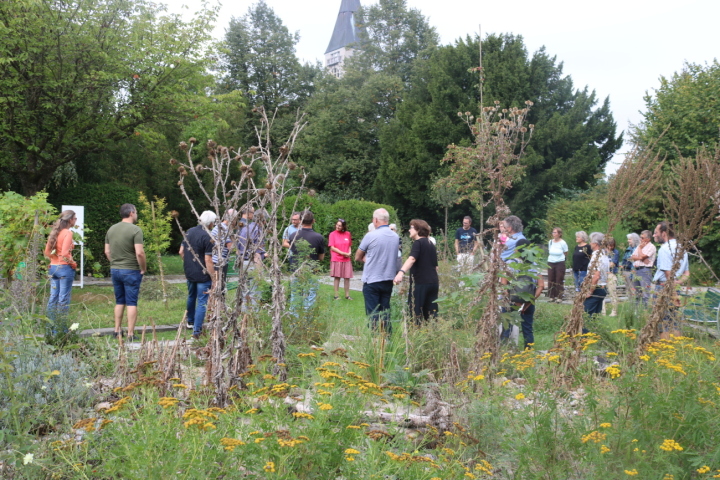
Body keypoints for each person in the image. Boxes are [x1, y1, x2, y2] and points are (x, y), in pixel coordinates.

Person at [105, 203, 146, 341]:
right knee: (131, 302)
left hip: (115, 269)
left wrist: (114, 262)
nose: (136, 214)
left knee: (119, 301)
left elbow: (107, 251)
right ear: (131, 213)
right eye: (136, 212)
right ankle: (130, 333)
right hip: (131, 270)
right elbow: (139, 253)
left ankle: (117, 331)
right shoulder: (136, 230)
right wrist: (143, 268)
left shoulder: (111, 229)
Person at [356, 208, 399, 333]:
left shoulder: (370, 235)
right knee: (385, 311)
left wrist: (368, 259)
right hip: (388, 279)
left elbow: (358, 256)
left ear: (375, 220)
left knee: (373, 313)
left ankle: (376, 341)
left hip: (372, 279)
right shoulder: (395, 237)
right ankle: (387, 338)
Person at [501, 238, 544, 349]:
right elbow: (541, 286)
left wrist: (509, 299)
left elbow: (504, 284)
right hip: (528, 301)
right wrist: (530, 300)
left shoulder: (510, 263)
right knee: (527, 328)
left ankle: (503, 350)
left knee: (507, 326)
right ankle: (528, 352)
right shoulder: (535, 264)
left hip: (510, 300)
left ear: (517, 249)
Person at [393, 219, 439, 324]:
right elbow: (436, 267)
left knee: (416, 311)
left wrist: (400, 273)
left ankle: (415, 333)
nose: (409, 230)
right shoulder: (431, 244)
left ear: (418, 229)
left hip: (421, 283)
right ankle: (432, 333)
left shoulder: (418, 243)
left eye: (411, 228)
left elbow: (412, 259)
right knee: (431, 313)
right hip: (433, 282)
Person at [180, 211, 216, 338]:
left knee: (191, 296)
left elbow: (181, 252)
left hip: (189, 271)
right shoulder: (208, 237)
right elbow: (208, 259)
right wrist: (213, 276)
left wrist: (188, 263)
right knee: (202, 301)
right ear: (211, 223)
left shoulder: (189, 231)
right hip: (202, 274)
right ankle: (197, 330)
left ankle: (190, 321)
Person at [652, 221, 690, 338]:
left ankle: (665, 351)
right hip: (675, 287)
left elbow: (668, 274)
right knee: (674, 321)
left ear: (664, 233)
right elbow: (687, 273)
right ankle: (677, 350)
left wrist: (673, 293)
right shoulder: (681, 248)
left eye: (656, 232)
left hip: (665, 288)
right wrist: (678, 283)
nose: (654, 235)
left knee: (663, 322)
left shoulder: (664, 249)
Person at [289, 211, 326, 314]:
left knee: (295, 296)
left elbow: (293, 251)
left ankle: (293, 320)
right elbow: (321, 257)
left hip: (296, 269)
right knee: (310, 297)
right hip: (311, 270)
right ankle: (307, 320)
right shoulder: (318, 237)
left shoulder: (293, 235)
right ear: (313, 221)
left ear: (300, 221)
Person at [44, 210, 78, 323]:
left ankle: (50, 328)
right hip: (64, 269)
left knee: (53, 298)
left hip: (53, 268)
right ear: (70, 220)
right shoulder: (67, 233)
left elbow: (47, 252)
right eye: (75, 218)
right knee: (63, 299)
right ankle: (60, 330)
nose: (76, 220)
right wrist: (73, 263)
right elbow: (64, 253)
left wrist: (54, 259)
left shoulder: (55, 232)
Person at [237, 205, 266, 310]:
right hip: (252, 263)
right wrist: (259, 272)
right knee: (255, 291)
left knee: (245, 291)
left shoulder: (244, 229)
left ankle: (244, 314)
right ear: (263, 221)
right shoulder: (258, 231)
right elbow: (256, 253)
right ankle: (255, 315)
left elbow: (238, 247)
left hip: (242, 263)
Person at [583, 232, 609, 330]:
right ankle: (595, 337)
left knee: (586, 315)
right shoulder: (605, 255)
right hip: (603, 287)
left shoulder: (596, 256)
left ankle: (585, 339)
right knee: (595, 316)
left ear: (595, 244)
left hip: (596, 288)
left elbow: (596, 276)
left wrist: (590, 291)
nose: (589, 244)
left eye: (591, 241)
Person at [211, 209, 236, 294]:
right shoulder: (224, 229)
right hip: (220, 262)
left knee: (216, 285)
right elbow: (231, 247)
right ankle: (218, 305)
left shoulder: (218, 226)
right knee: (219, 287)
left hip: (215, 260)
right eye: (235, 219)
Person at [328, 218, 353, 300]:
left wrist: (349, 252)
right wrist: (342, 253)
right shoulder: (332, 234)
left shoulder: (348, 234)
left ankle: (347, 295)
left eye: (340, 226)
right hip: (337, 258)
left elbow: (349, 245)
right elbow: (332, 247)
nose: (337, 227)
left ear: (343, 227)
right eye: (337, 225)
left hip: (346, 258)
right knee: (337, 277)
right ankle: (336, 295)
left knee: (347, 277)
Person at [631, 230, 657, 305]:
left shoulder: (651, 247)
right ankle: (636, 311)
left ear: (648, 239)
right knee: (637, 293)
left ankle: (646, 311)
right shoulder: (640, 245)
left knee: (645, 293)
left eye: (642, 238)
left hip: (645, 270)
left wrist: (639, 250)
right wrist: (641, 258)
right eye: (640, 237)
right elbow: (632, 257)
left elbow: (643, 256)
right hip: (636, 269)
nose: (640, 239)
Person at [546, 227, 568, 303]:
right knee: (551, 278)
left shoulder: (563, 243)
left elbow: (566, 252)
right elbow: (550, 250)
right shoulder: (550, 242)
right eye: (553, 232)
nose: (553, 234)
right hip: (551, 261)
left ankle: (559, 296)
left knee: (559, 279)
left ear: (559, 234)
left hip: (560, 262)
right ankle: (551, 296)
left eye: (555, 232)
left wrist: (561, 258)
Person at [621, 233, 640, 301]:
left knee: (634, 290)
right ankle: (631, 305)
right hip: (626, 271)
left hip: (632, 272)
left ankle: (635, 307)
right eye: (628, 239)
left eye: (630, 239)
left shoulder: (637, 249)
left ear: (634, 240)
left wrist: (632, 274)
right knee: (629, 291)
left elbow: (634, 262)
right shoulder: (629, 249)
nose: (628, 241)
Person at [605, 237, 620, 317]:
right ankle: (602, 312)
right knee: (602, 293)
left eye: (612, 246)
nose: (610, 247)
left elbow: (612, 264)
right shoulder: (603, 252)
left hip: (611, 273)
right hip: (603, 274)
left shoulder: (615, 252)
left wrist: (605, 264)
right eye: (609, 246)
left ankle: (614, 311)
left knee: (612, 293)